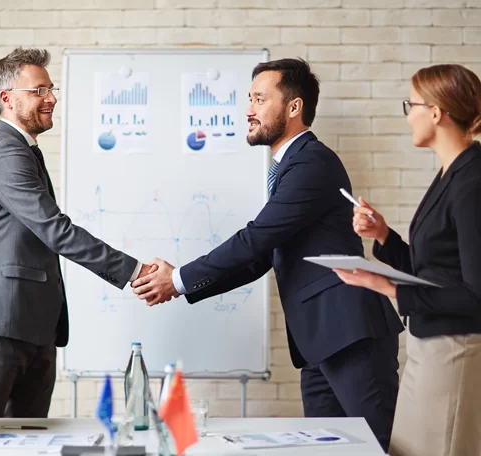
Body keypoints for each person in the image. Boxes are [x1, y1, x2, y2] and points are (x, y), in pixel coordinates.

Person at [132, 58, 404, 451]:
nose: (248, 110)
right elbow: (261, 257)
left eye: (260, 99)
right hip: (319, 340)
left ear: (294, 108)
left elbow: (256, 239)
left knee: (380, 446)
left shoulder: (312, 162)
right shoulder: (291, 166)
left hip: (349, 333)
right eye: (249, 99)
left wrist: (176, 279)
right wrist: (182, 286)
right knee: (330, 449)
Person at [0, 48, 154, 418]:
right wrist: (135, 271)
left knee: (30, 444)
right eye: (39, 91)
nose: (51, 99)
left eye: (51, 89)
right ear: (7, 99)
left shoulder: (24, 151)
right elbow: (56, 230)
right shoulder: (5, 153)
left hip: (35, 330)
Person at [334, 64, 481, 456]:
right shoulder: (452, 173)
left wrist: (386, 287)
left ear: (436, 112)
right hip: (427, 345)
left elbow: (475, 294)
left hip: (453, 350)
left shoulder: (472, 181)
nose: (407, 115)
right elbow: (434, 269)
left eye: (410, 105)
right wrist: (383, 235)